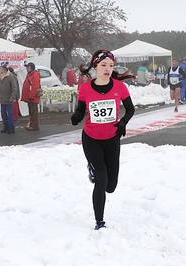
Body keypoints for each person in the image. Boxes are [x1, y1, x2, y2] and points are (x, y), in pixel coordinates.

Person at [70, 49, 135, 230]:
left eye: (111, 66)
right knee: (101, 178)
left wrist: (122, 123)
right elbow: (81, 109)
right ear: (95, 66)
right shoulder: (85, 88)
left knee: (111, 186)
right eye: (104, 65)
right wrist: (76, 116)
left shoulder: (120, 87)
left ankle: (97, 172)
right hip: (91, 138)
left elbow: (130, 109)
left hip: (112, 138)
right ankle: (99, 222)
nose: (107, 69)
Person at [21, 62, 41, 131]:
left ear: (31, 68)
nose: (26, 68)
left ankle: (34, 125)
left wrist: (31, 95)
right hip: (29, 97)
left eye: (28, 67)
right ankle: (31, 124)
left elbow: (35, 86)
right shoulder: (29, 75)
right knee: (31, 112)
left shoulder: (35, 75)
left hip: (33, 97)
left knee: (34, 112)